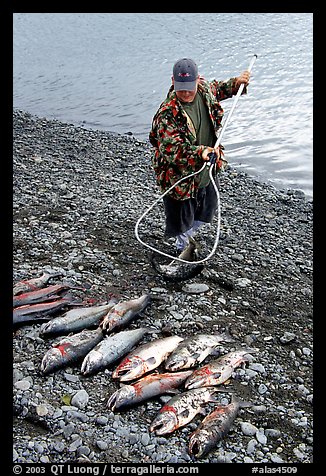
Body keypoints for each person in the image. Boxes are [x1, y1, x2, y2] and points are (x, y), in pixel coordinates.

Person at [149, 57, 250, 264]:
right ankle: (181, 249)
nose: (186, 93)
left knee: (207, 210)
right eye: (181, 89)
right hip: (179, 175)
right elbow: (173, 151)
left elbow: (218, 88)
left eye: (189, 88)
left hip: (206, 169)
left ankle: (188, 239)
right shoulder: (167, 114)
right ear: (173, 81)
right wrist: (200, 153)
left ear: (197, 80)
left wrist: (236, 84)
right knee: (182, 217)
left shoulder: (204, 90)